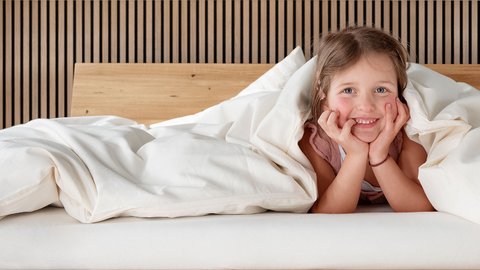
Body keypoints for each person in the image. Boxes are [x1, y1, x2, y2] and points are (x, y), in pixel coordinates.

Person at [298, 26, 434, 213]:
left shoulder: (408, 132)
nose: (366, 106)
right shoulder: (317, 141)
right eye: (348, 90)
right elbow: (328, 211)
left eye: (380, 90)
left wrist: (379, 156)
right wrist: (356, 155)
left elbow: (419, 206)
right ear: (323, 92)